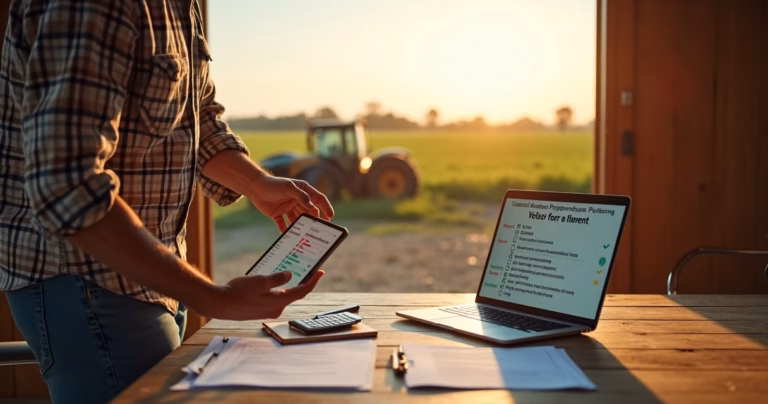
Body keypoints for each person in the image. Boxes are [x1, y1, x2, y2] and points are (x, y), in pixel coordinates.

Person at [0, 1, 334, 402]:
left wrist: (257, 183)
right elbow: (68, 183)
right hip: (86, 280)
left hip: (153, 273)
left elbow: (199, 118)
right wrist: (215, 298)